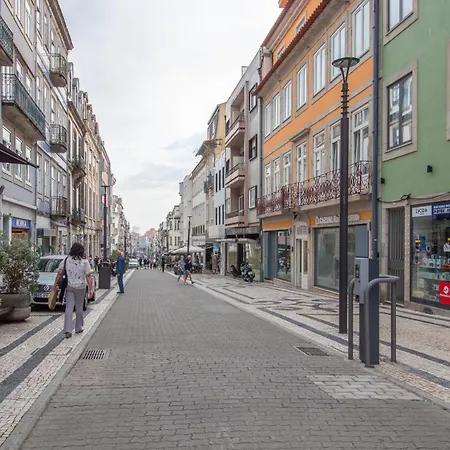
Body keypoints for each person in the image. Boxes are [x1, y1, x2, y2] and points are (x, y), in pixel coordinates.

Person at [53, 243, 93, 339]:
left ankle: (67, 330)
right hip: (81, 287)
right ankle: (78, 327)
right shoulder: (85, 262)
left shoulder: (67, 260)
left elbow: (59, 273)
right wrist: (91, 289)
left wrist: (55, 285)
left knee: (69, 308)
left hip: (70, 286)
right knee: (79, 307)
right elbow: (88, 276)